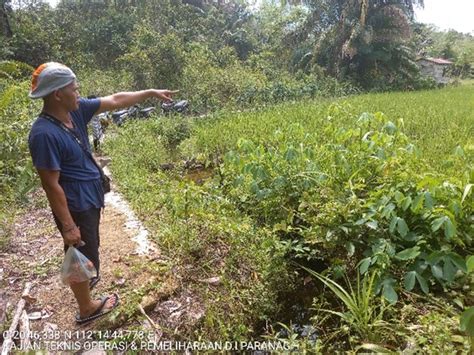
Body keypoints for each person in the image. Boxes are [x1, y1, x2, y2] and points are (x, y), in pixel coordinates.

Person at [28, 62, 178, 324]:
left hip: (89, 196)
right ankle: (86, 309)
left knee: (89, 248)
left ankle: (86, 284)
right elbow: (51, 185)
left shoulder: (75, 112)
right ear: (57, 94)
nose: (79, 94)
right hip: (75, 204)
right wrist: (68, 225)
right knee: (78, 251)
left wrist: (151, 92)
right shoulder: (43, 134)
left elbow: (116, 99)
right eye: (74, 90)